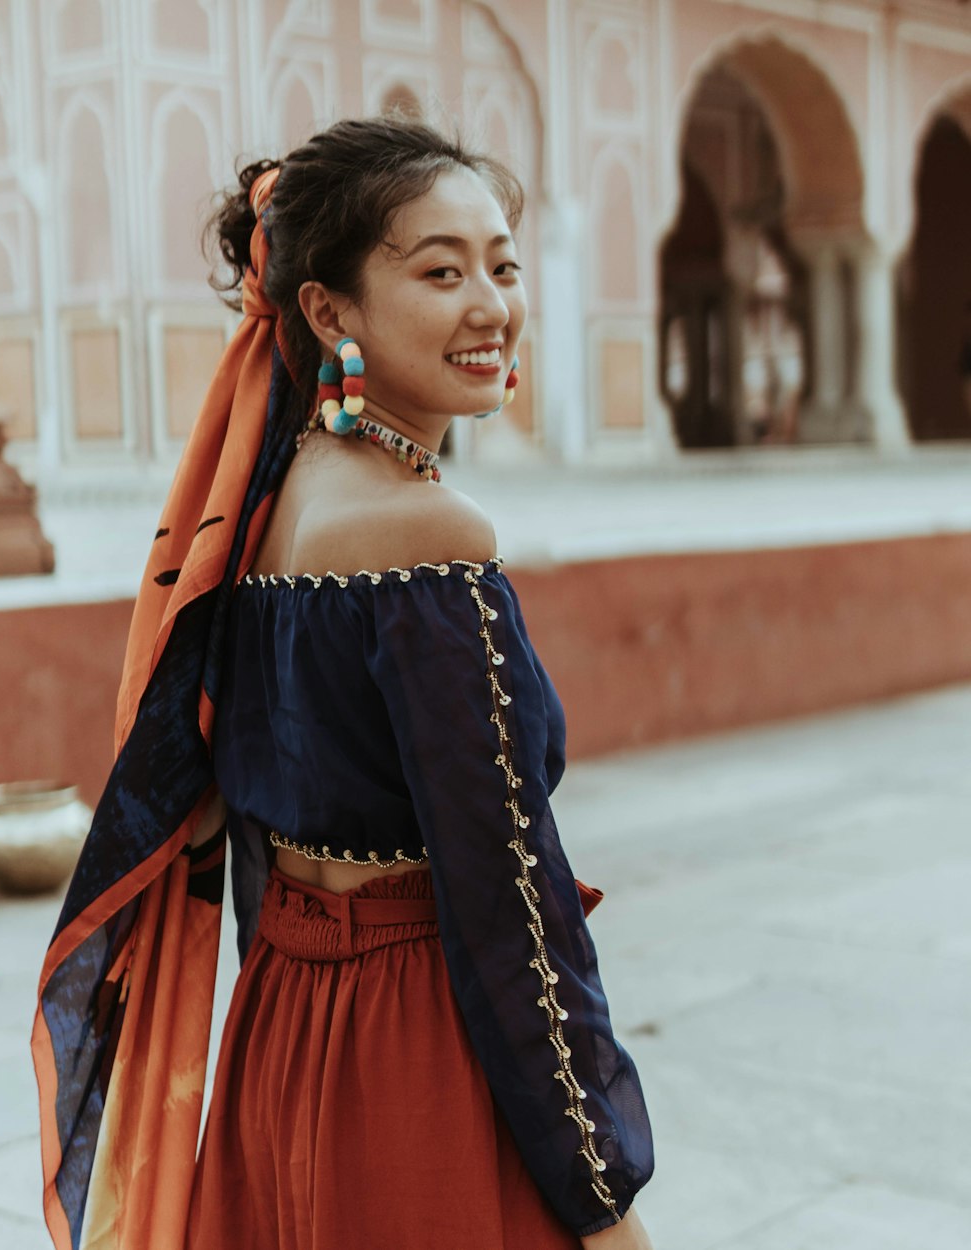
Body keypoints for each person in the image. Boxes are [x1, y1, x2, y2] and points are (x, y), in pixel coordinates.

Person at [33, 116, 655, 1250]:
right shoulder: (428, 528)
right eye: (439, 269)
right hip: (420, 1052)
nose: (491, 304)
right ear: (329, 311)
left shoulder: (271, 504)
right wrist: (599, 1186)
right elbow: (507, 898)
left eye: (502, 264)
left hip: (286, 1025)